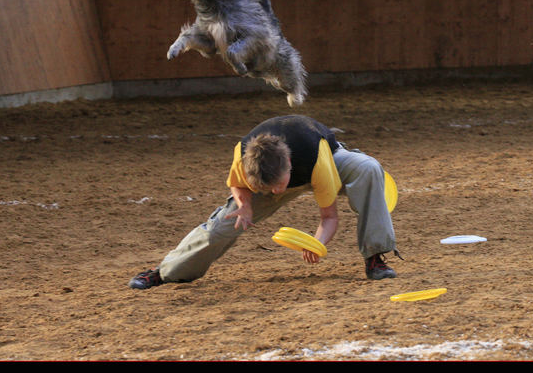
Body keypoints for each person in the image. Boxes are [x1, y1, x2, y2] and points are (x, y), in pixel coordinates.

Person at [129, 115, 400, 289]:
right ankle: (164, 271)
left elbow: (329, 217)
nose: (275, 193)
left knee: (368, 168)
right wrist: (244, 205)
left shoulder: (317, 160)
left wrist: (317, 244)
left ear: (289, 165)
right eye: (267, 189)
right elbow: (237, 184)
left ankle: (375, 257)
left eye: (278, 187)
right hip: (276, 173)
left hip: (326, 157)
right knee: (222, 226)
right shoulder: (245, 158)